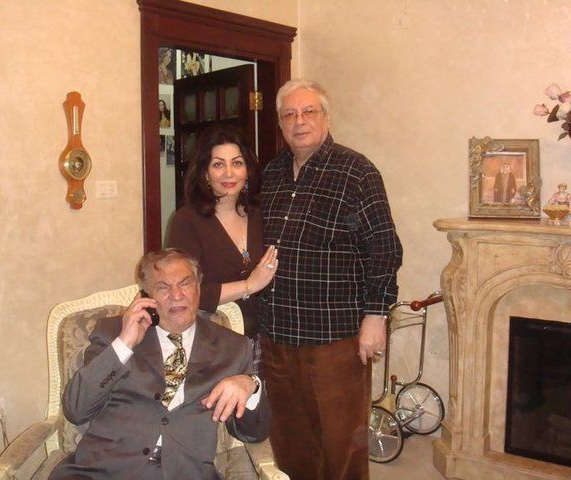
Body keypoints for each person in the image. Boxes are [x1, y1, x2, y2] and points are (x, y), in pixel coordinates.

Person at [259, 79, 403, 480]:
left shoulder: (356, 171)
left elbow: (384, 248)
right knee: (290, 440)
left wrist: (376, 316)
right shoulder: (271, 173)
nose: (299, 121)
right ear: (280, 123)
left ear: (326, 117)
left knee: (342, 444)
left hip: (334, 336)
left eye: (309, 111)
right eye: (289, 114)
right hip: (278, 334)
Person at [49, 248, 270, 480]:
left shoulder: (232, 347)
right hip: (103, 472)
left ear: (198, 287)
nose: (176, 295)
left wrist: (251, 386)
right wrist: (124, 343)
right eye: (163, 287)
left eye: (185, 283)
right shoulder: (112, 332)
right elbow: (76, 411)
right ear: (147, 296)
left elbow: (253, 434)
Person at [167, 124, 278, 374]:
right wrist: (249, 285)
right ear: (205, 172)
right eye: (218, 164)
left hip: (264, 341)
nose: (229, 173)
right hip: (212, 346)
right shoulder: (186, 220)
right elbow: (185, 292)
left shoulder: (260, 214)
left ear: (247, 170)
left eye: (237, 163)